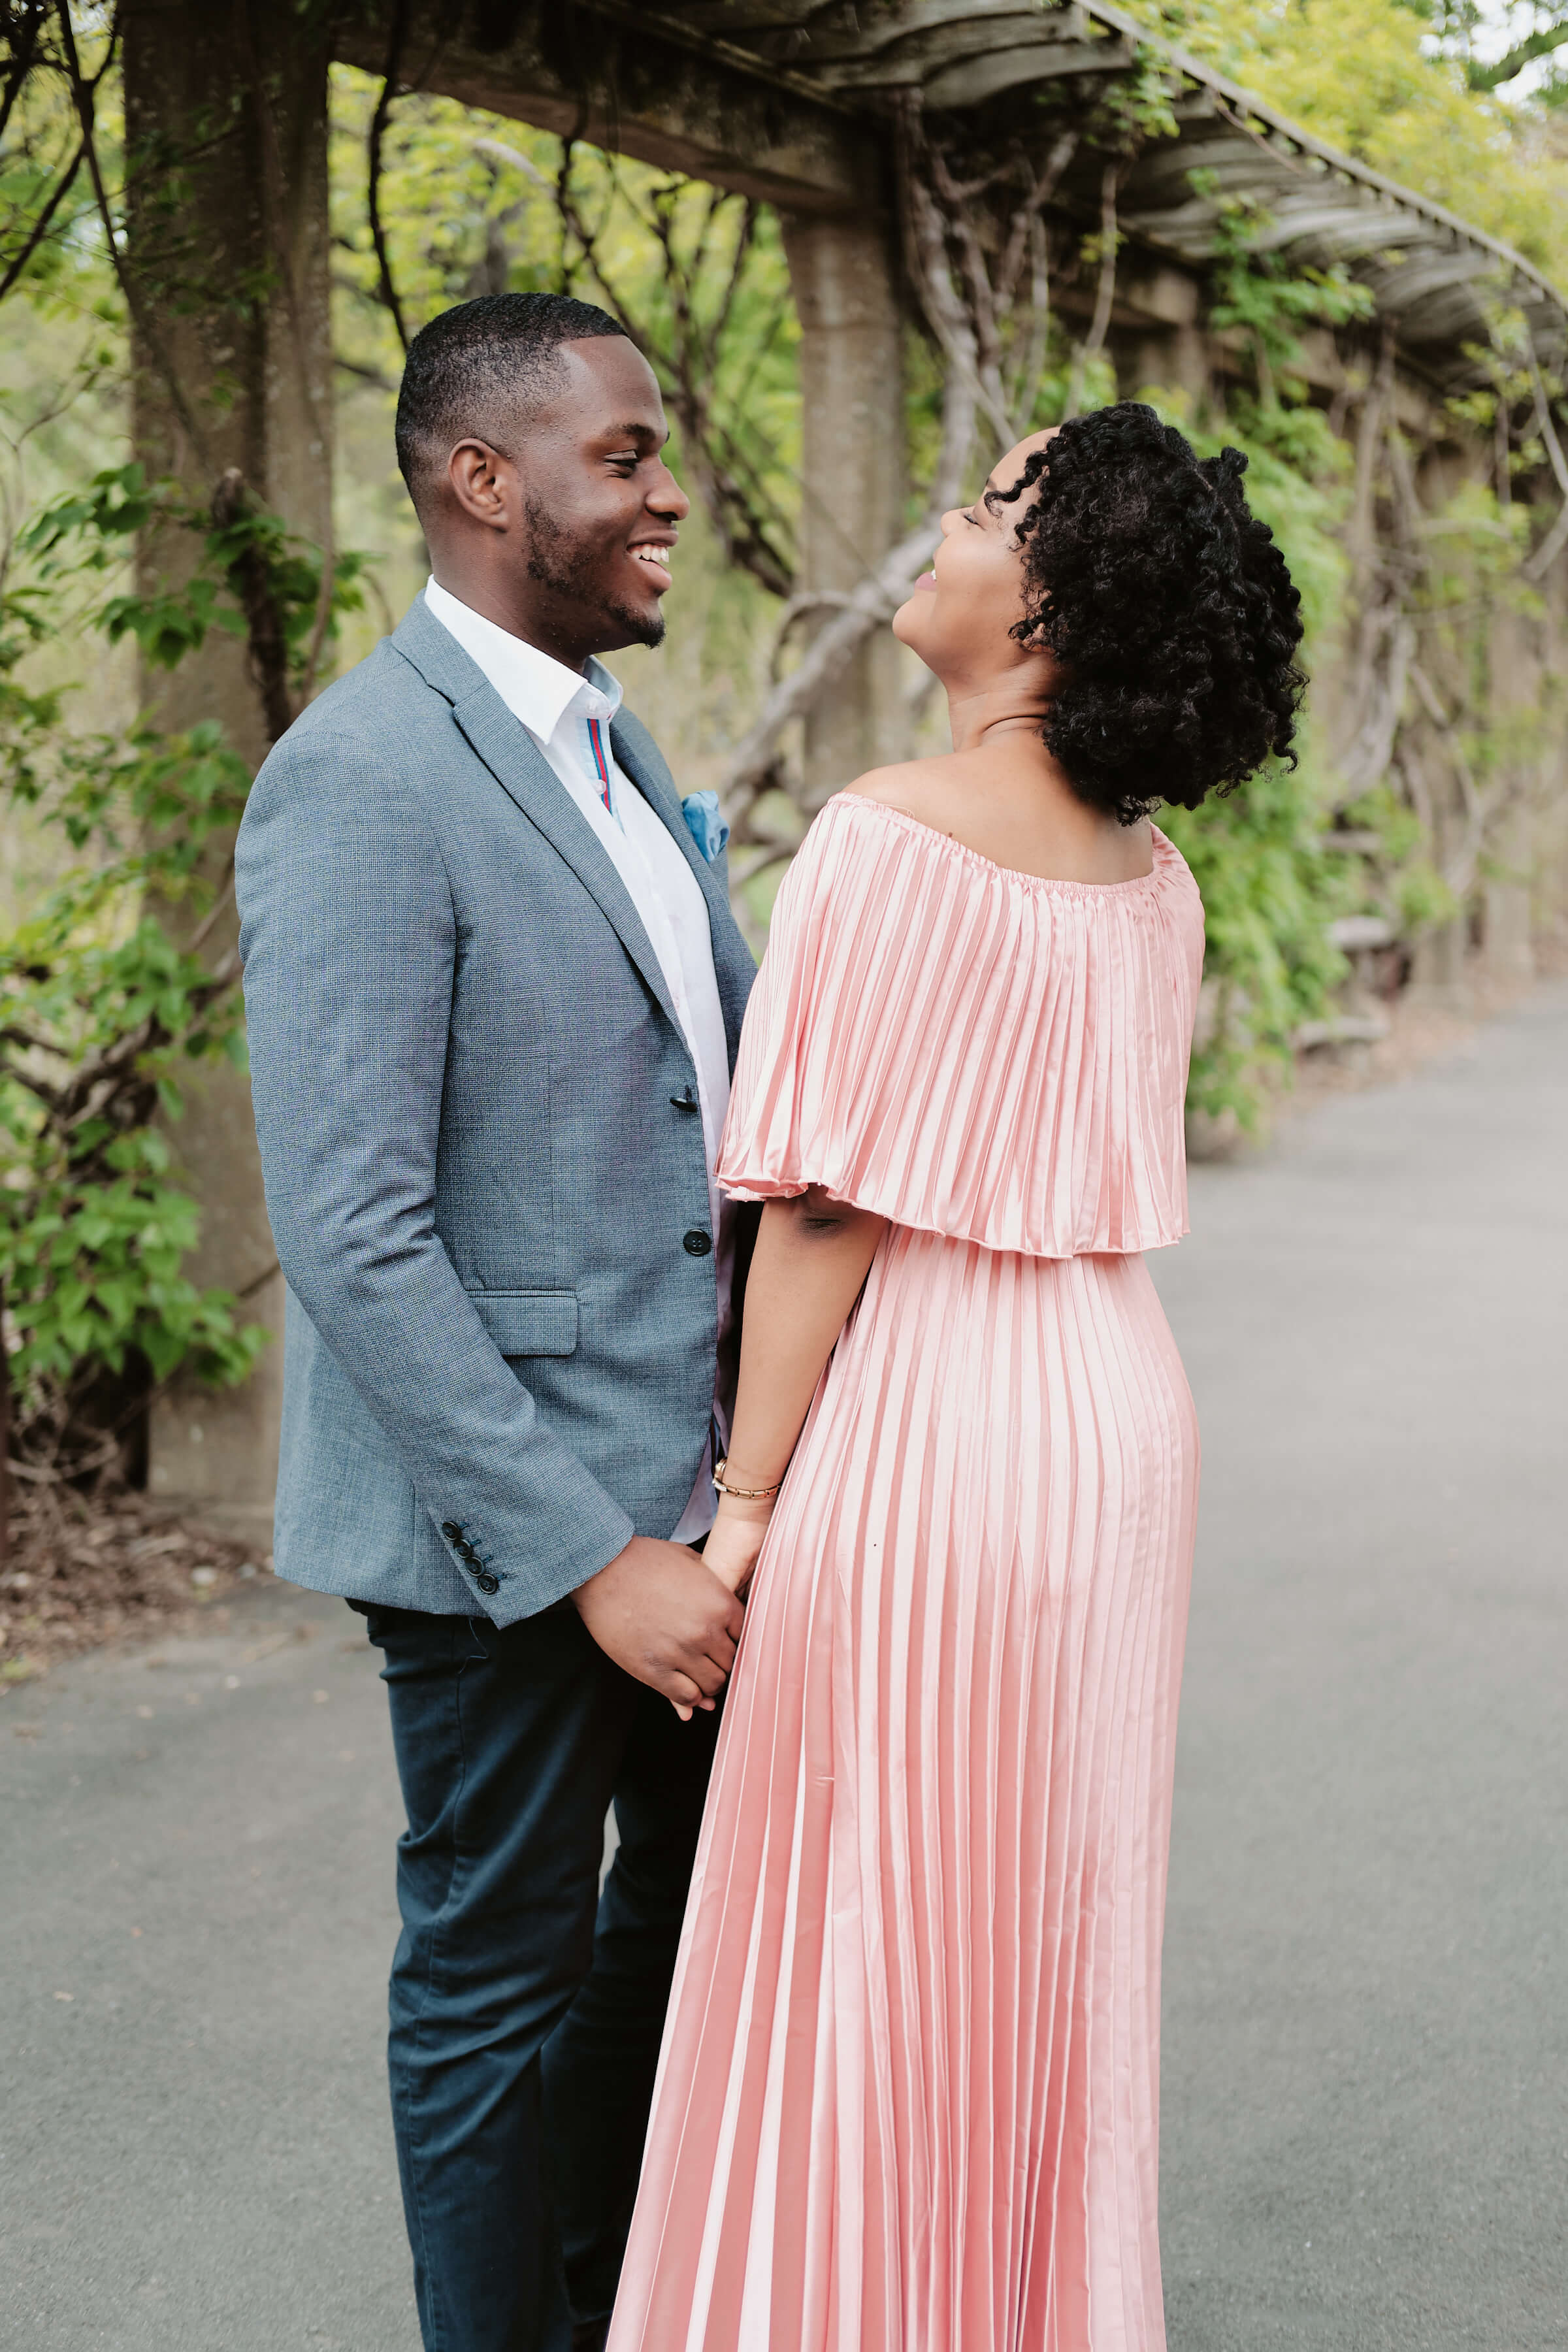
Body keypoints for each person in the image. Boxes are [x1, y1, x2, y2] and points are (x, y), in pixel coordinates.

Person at [607, 404, 1306, 2352]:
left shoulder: (887, 833)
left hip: (939, 1431)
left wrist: (740, 1512)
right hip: (1110, 1420)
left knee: (871, 1914)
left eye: (995, 505)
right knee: (1046, 1924)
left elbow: (825, 1215)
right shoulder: (1149, 878)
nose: (947, 517)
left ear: (1058, 599)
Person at [235, 293, 757, 2352]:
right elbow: (352, 1231)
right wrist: (590, 1559)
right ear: (483, 482)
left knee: (681, 1944)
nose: (667, 488)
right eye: (623, 456)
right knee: (491, 1984)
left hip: (703, 1510)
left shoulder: (619, 751)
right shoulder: (360, 777)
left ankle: (606, 2305)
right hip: (516, 1547)